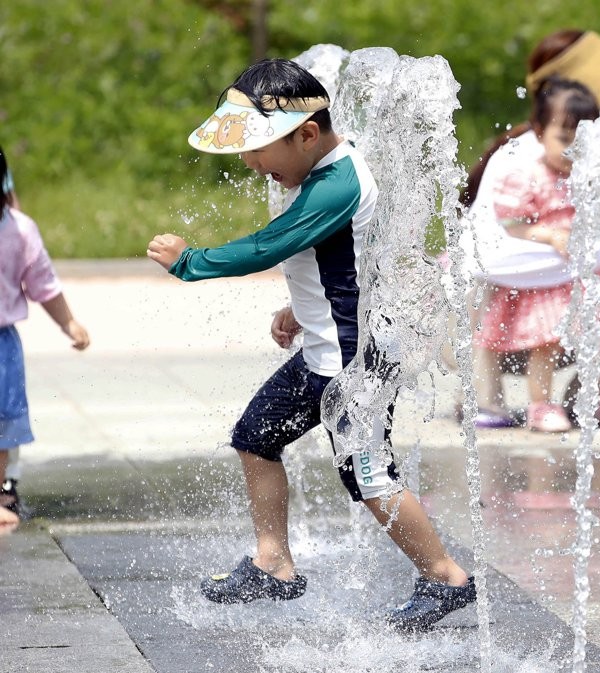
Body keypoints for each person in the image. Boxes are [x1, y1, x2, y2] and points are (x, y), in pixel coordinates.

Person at [146, 59, 475, 631]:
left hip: (355, 363)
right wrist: (301, 311)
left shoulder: (338, 182)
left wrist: (190, 262)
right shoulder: (323, 173)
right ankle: (272, 563)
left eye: (259, 149)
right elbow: (342, 264)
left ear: (306, 134)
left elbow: (268, 246)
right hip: (330, 347)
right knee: (256, 436)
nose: (250, 164)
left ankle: (445, 577)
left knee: (369, 475)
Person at [460, 30, 600, 429]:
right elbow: (493, 240)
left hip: (568, 292)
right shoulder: (522, 158)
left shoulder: (592, 154)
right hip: (509, 305)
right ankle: (490, 398)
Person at [475, 77, 600, 432]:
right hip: (537, 283)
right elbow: (511, 224)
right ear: (538, 131)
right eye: (563, 138)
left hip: (567, 279)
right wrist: (547, 234)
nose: (571, 150)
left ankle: (595, 396)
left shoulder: (585, 177)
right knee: (544, 344)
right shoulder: (528, 174)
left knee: (578, 340)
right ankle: (541, 405)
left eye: (581, 141)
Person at [1, 146, 90, 524]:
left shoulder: (19, 230)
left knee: (3, 422)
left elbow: (43, 283)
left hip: (1, 344)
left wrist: (68, 322)